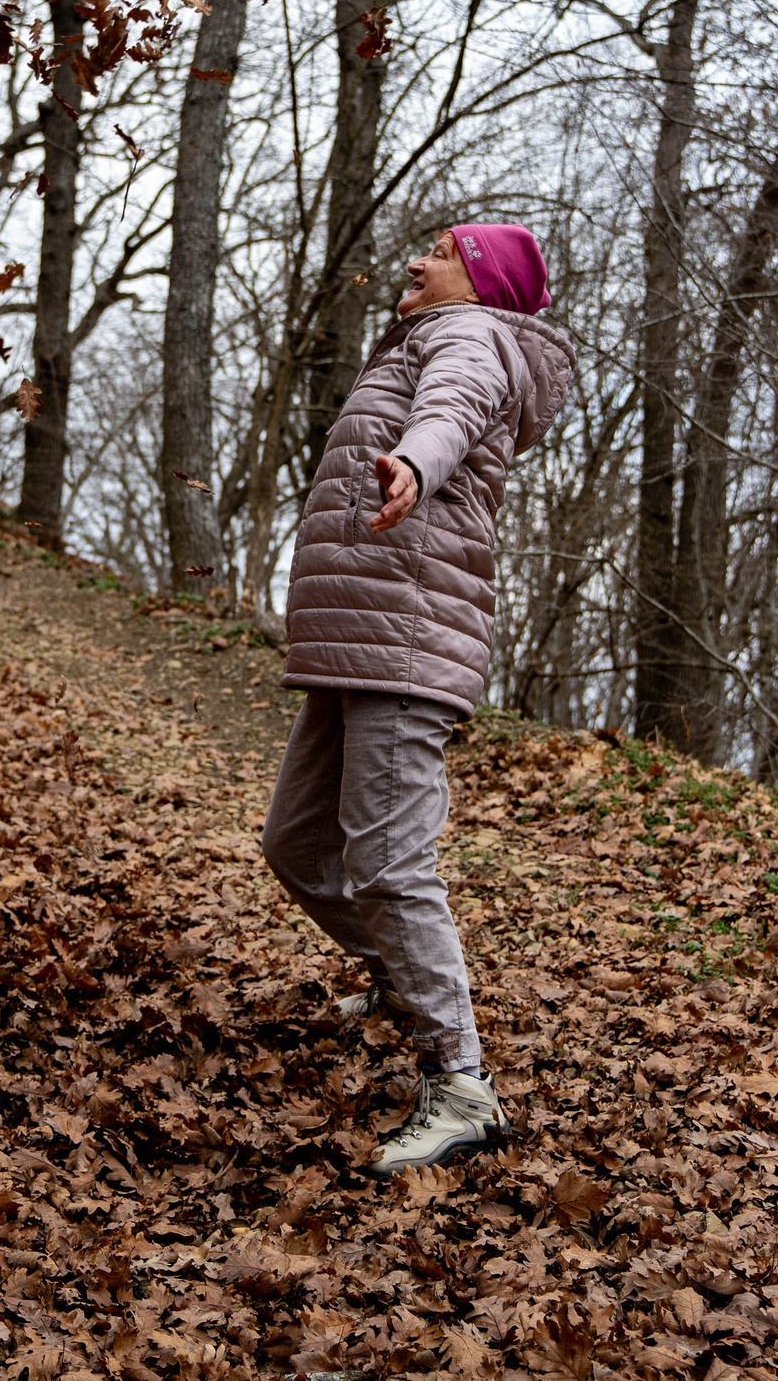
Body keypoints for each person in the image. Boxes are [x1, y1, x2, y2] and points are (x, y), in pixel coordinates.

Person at [263, 222, 573, 1177]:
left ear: (478, 283)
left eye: (441, 250)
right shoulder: (429, 334)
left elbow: (452, 408)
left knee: (390, 862)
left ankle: (461, 1082)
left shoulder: (468, 334)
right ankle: (404, 979)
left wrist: (416, 462)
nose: (416, 259)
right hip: (361, 635)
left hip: (404, 633)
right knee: (297, 843)